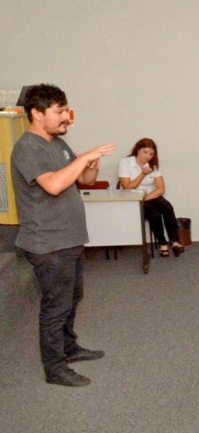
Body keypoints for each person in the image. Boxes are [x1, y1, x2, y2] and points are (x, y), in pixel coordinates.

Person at [11, 83, 116, 388]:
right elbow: (54, 185)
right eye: (59, 111)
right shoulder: (28, 148)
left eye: (66, 110)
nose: (66, 117)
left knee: (72, 298)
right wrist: (84, 158)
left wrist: (90, 164)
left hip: (68, 239)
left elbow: (82, 180)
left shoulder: (58, 144)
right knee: (55, 307)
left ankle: (69, 347)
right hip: (47, 242)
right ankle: (54, 369)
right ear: (37, 113)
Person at [117, 138, 185, 257]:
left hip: (149, 196)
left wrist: (145, 198)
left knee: (167, 207)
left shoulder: (153, 165)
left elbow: (160, 189)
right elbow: (127, 187)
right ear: (138, 150)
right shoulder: (125, 162)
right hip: (132, 198)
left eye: (151, 154)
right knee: (154, 214)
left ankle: (174, 241)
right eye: (145, 152)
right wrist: (143, 174)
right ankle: (163, 243)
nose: (147, 156)